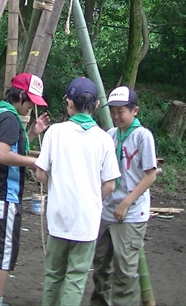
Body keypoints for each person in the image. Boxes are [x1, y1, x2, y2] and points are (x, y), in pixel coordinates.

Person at [35, 77, 120, 306]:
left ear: (69, 103)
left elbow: (40, 174)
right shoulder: (105, 139)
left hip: (59, 215)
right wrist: (92, 197)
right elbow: (110, 184)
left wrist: (56, 184)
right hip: (87, 219)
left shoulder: (55, 132)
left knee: (53, 274)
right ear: (96, 106)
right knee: (76, 276)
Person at [0, 72, 50, 306]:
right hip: (3, 195)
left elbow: (12, 147)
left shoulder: (3, 114)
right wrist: (35, 162)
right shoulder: (9, 119)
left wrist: (33, 133)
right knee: (3, 254)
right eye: (30, 103)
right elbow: (2, 154)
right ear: (19, 96)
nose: (30, 108)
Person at [90, 85, 157, 306]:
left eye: (121, 111)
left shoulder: (142, 136)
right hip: (107, 209)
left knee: (125, 269)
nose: (116, 116)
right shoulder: (110, 135)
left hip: (131, 212)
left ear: (134, 111)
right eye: (113, 111)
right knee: (100, 264)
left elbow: (150, 175)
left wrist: (126, 203)